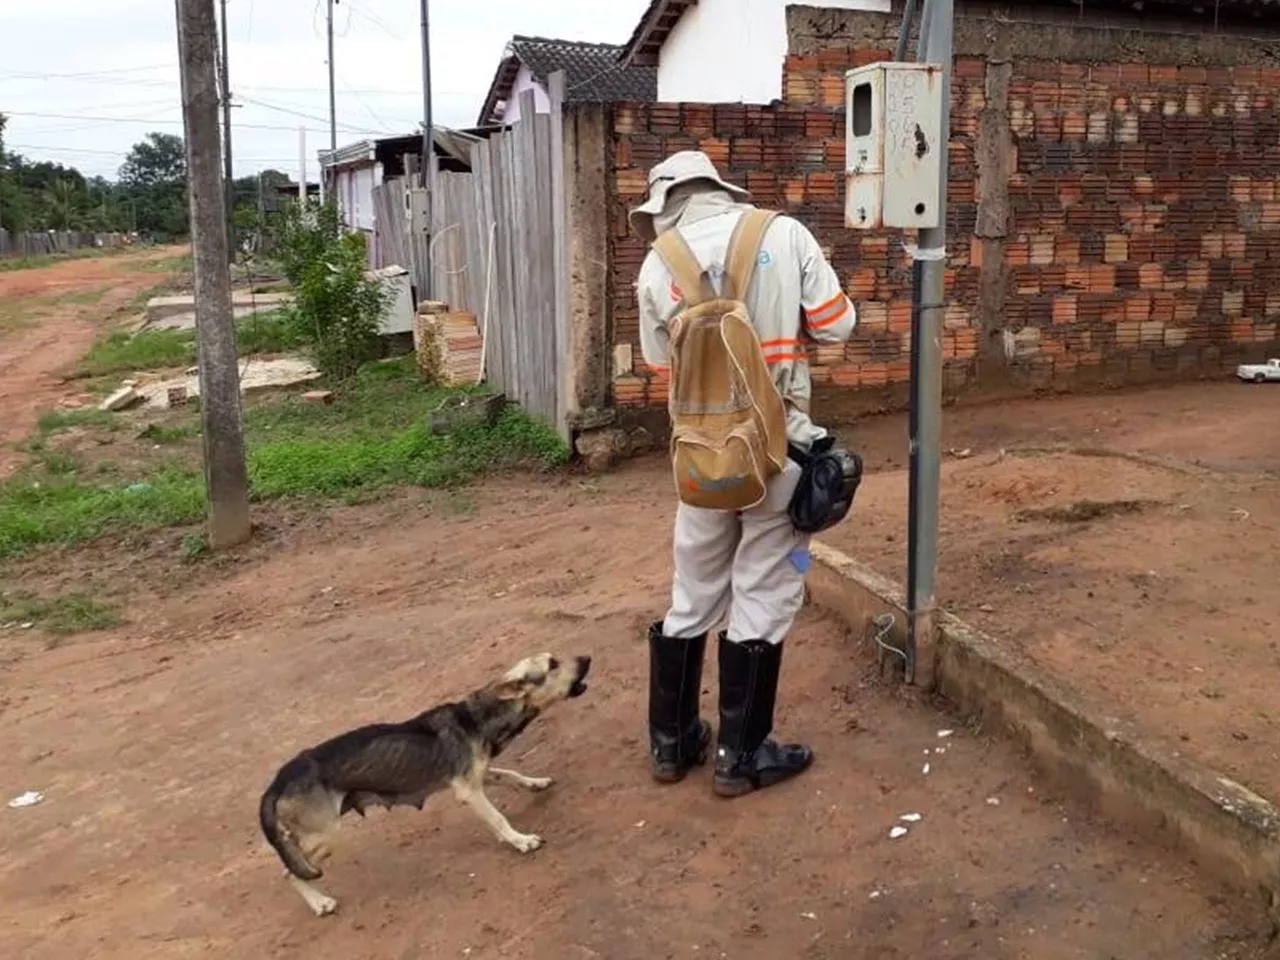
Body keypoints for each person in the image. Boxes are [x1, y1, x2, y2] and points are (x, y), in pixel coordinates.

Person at [631, 151, 857, 798]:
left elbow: (660, 366)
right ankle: (742, 755)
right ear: (717, 188)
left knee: (693, 590)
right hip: (777, 450)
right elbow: (838, 326)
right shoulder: (783, 233)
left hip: (701, 460)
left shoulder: (657, 263)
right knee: (764, 586)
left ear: (665, 205)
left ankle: (672, 742)